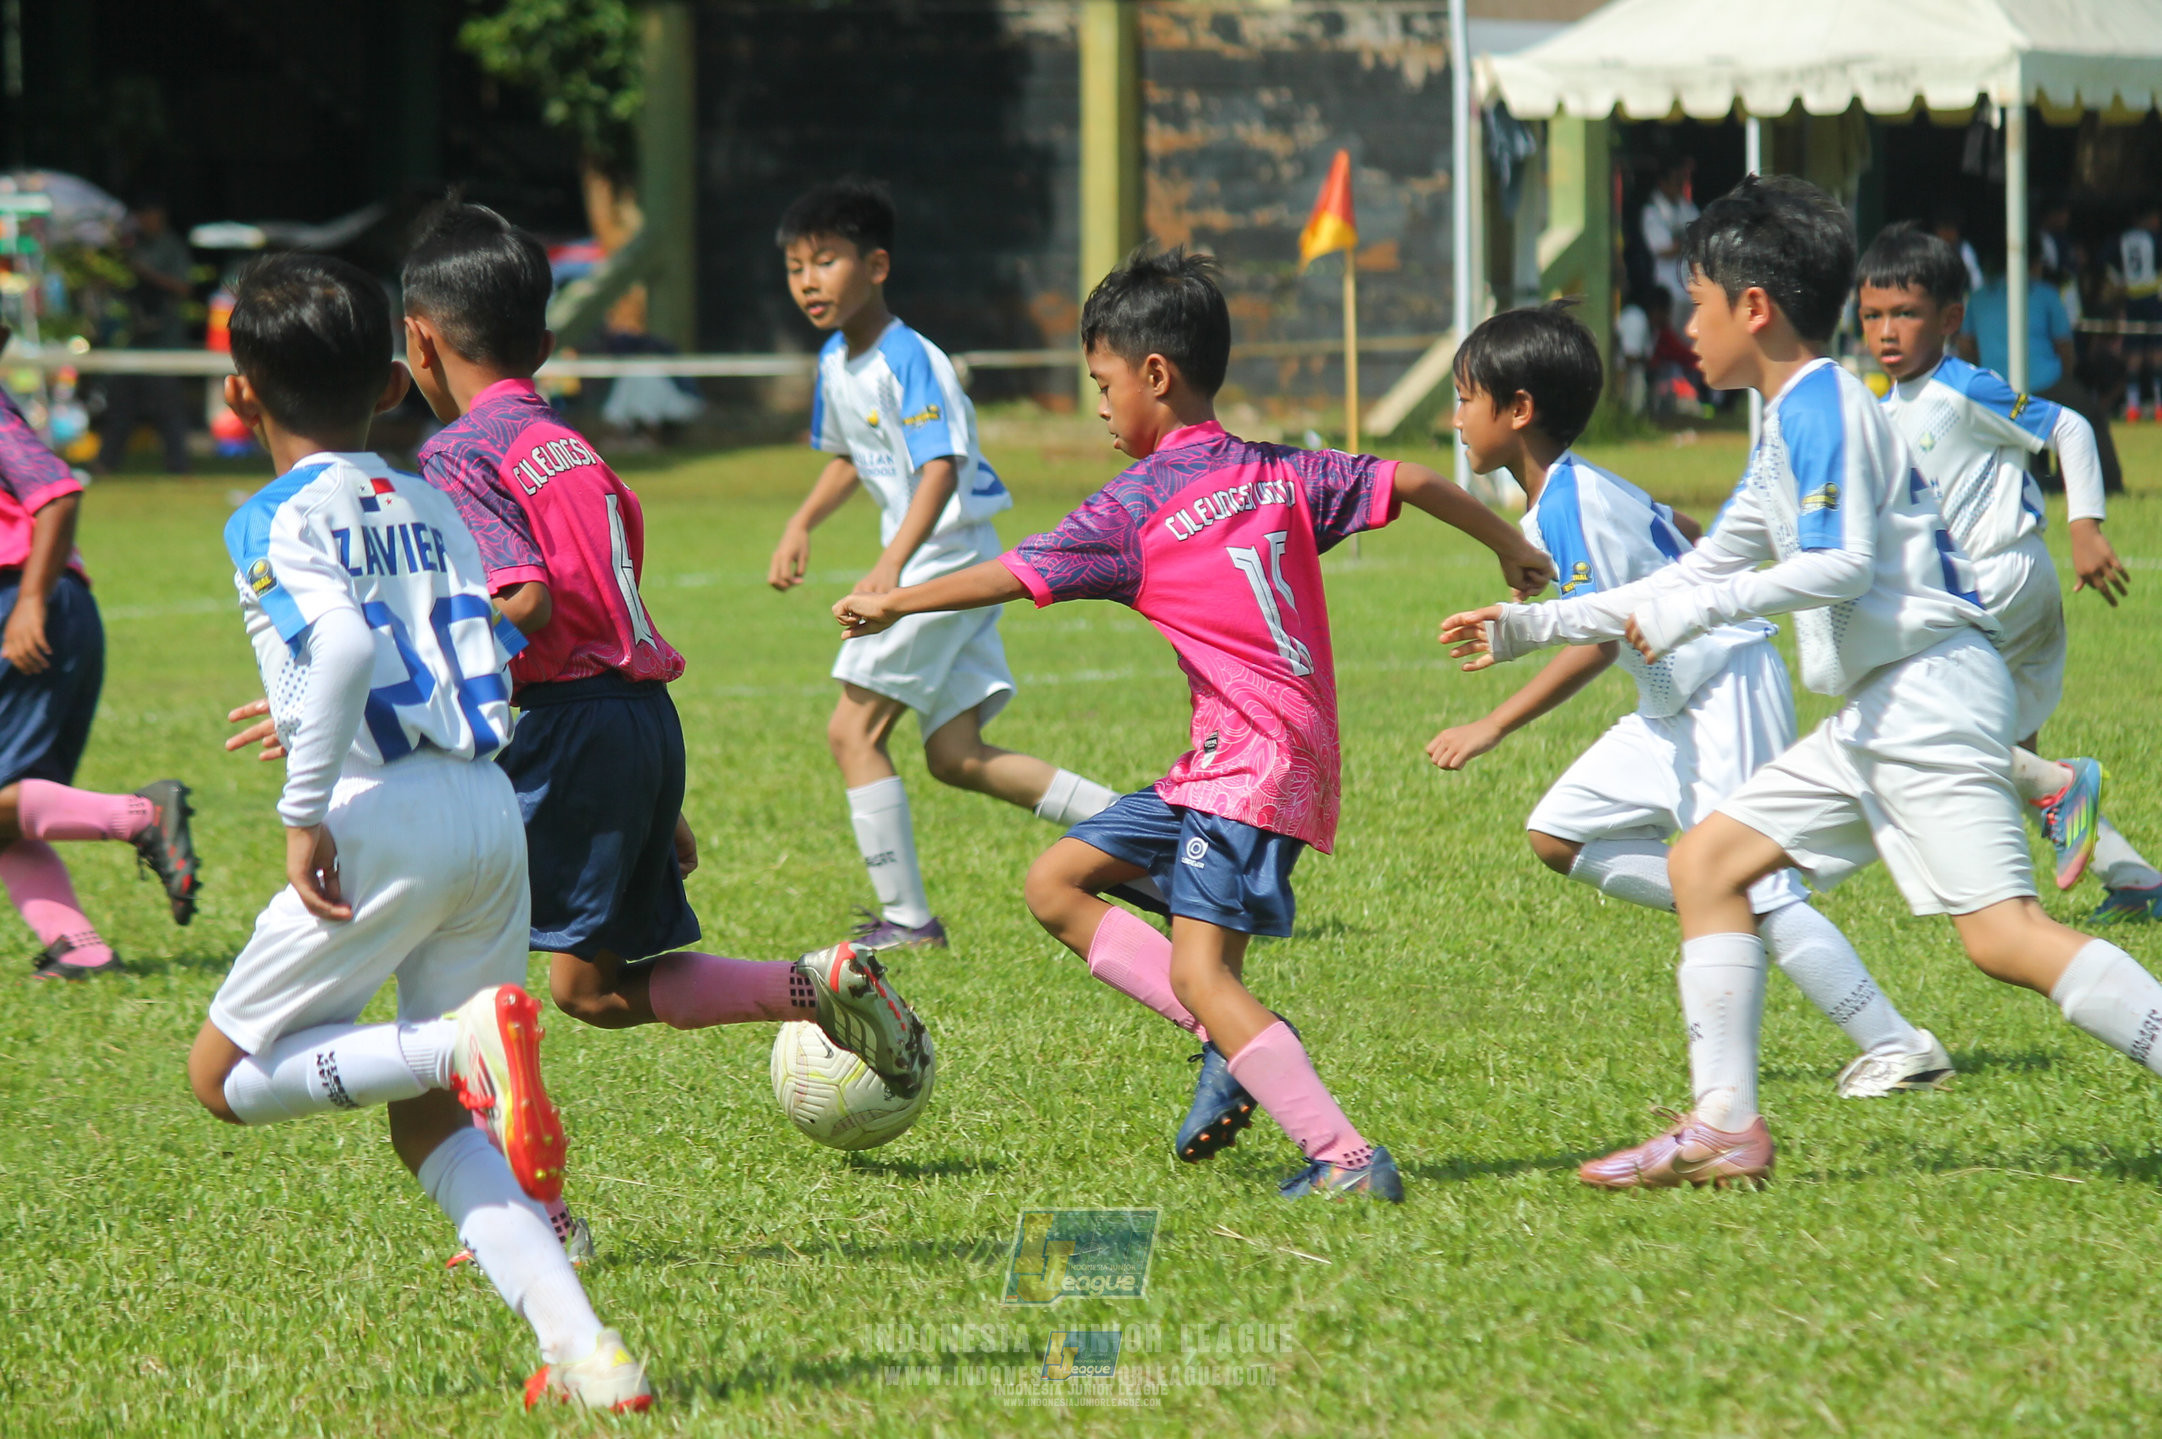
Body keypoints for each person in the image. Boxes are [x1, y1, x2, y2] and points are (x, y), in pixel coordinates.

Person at [224, 202, 930, 1259]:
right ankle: (813, 984)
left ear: (418, 342)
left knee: (477, 986)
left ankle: (533, 1212)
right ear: (545, 342)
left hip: (562, 728)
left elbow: (527, 600)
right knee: (588, 988)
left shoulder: (461, 453)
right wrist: (651, 795)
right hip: (637, 718)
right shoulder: (569, 443)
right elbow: (608, 603)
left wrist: (397, 684)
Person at [1442, 175, 2162, 1190]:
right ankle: (1724, 1126)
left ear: (1753, 308)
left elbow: (1839, 566)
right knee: (1706, 865)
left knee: (2005, 938)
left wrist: (1691, 613)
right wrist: (1530, 623)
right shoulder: (1787, 423)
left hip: (1928, 695)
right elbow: (1699, 567)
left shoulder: (1822, 401)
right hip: (1883, 708)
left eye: (1697, 301)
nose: (1686, 323)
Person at [833, 246, 1556, 1202]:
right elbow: (1413, 479)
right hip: (1248, 759)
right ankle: (1234, 1038)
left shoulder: (1133, 507)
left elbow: (1013, 571)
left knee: (1203, 970)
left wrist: (896, 599)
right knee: (1056, 883)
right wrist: (1509, 542)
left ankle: (1343, 1154)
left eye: (1103, 384)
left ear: (1155, 375)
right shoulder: (1279, 470)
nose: (1099, 406)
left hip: (1248, 765)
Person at [189, 251, 652, 1412]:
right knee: (433, 1130)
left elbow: (348, 645)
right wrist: (315, 705)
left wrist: (302, 808)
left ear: (240, 394)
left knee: (224, 1075)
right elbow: (487, 629)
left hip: (380, 814)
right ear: (394, 382)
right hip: (486, 808)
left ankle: (454, 1043)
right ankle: (586, 1348)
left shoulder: (269, 516)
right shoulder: (433, 497)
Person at [1427, 302, 1948, 1099]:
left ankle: (1898, 1043)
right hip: (1674, 705)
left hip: (1724, 687)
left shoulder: (1567, 502)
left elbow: (1600, 639)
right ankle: (1721, 905)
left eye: (1466, 398)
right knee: (1558, 831)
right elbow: (1686, 528)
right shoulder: (1579, 486)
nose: (1456, 418)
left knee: (1759, 884)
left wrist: (1493, 723)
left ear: (1519, 409)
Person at [768, 179, 1146, 950]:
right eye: (796, 267)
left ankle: (909, 922)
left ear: (877, 266)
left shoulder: (910, 357)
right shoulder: (836, 361)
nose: (808, 281)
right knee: (957, 755)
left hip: (943, 559)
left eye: (826, 260)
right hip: (940, 557)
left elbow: (939, 466)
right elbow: (852, 456)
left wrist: (891, 568)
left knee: (851, 731)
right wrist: (802, 522)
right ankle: (1142, 833)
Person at [1860, 224, 2159, 923]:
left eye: (1905, 313)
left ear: (1950, 319)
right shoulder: (1884, 409)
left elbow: (2071, 428)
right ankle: (2136, 879)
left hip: (1994, 584)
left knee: (1928, 734)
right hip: (2003, 593)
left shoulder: (1963, 387)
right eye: (1872, 315)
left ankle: (2045, 824)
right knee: (2012, 759)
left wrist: (2085, 526)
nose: (1887, 332)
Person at [0, 322, 198, 977]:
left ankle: (140, 815)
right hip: (42, 605)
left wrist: (30, 602)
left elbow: (56, 493)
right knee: (9, 809)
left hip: (26, 605)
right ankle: (79, 947)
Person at [1962, 240, 2124, 494]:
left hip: (1995, 387)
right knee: (2087, 418)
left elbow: (1965, 346)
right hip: (2045, 381)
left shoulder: (1977, 298)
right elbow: (2065, 348)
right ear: (2034, 263)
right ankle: (2108, 483)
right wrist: (2067, 379)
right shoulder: (2046, 294)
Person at [95, 196, 194, 475]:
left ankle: (179, 466)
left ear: (159, 214)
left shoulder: (171, 247)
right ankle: (105, 464)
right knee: (120, 404)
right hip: (133, 339)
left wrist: (147, 274)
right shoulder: (131, 245)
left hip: (164, 342)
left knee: (167, 407)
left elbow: (184, 288)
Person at [2109, 201, 2162, 422]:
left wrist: (2119, 282)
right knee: (2157, 351)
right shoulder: (2154, 238)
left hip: (2131, 298)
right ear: (2147, 218)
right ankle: (2159, 405)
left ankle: (2133, 406)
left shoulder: (2121, 239)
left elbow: (2109, 265)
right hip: (2151, 297)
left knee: (2134, 353)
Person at [1640, 156, 1699, 322]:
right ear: (1663, 183)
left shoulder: (1686, 207)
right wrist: (1687, 243)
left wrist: (1684, 243)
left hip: (1689, 284)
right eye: (1676, 181)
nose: (1680, 185)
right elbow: (1664, 250)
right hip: (1667, 288)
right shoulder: (1652, 212)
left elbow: (1701, 234)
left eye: (1682, 180)